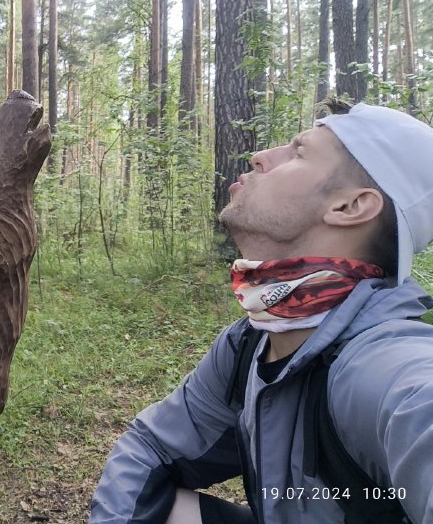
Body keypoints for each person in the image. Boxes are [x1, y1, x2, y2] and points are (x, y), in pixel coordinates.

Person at [89, 101, 433, 524]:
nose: (260, 157)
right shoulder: (248, 344)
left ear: (350, 207)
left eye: (299, 151)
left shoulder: (386, 372)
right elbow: (151, 446)